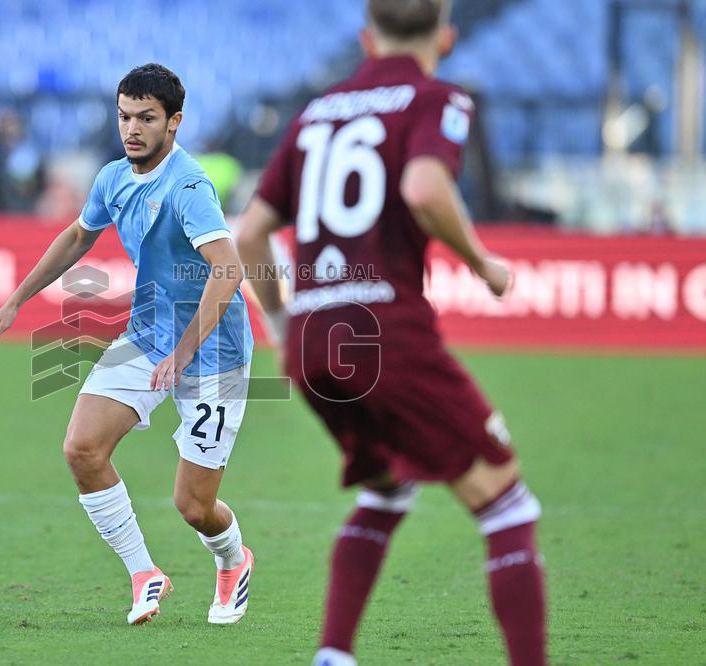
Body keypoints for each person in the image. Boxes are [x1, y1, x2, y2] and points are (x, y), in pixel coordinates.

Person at [236, 1, 546, 664]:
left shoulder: (316, 113)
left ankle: (333, 655)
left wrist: (285, 323)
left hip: (315, 341)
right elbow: (426, 187)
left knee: (387, 488)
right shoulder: (438, 98)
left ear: (365, 37)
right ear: (447, 36)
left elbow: (250, 233)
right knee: (507, 504)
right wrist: (484, 263)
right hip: (388, 332)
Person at [0, 64, 255, 626]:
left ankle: (233, 559)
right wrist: (16, 300)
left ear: (174, 123)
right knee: (81, 449)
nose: (132, 128)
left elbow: (228, 271)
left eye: (146, 118)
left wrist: (183, 353)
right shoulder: (113, 178)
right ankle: (144, 573)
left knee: (194, 506)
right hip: (148, 335)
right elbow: (79, 234)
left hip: (213, 355)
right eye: (125, 116)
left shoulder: (190, 187)